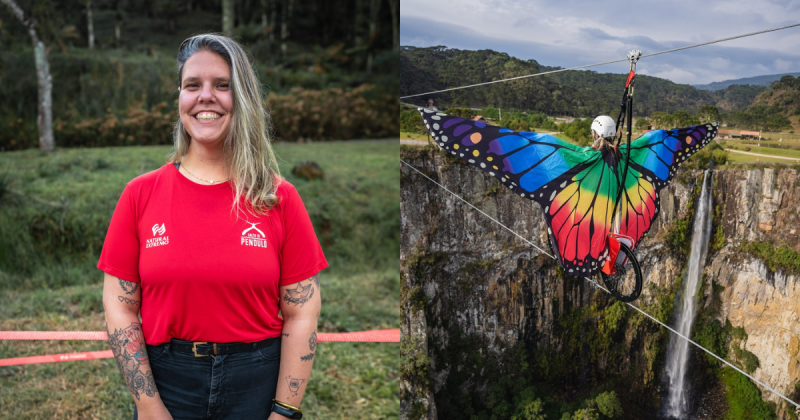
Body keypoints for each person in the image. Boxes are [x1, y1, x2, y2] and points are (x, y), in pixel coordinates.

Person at [99, 34, 327, 420]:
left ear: (243, 98)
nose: (206, 96)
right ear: (180, 98)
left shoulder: (278, 197)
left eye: (223, 85)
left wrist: (284, 411)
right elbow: (120, 307)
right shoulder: (140, 194)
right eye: (193, 85)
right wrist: (150, 407)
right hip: (168, 381)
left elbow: (302, 311)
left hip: (256, 379)